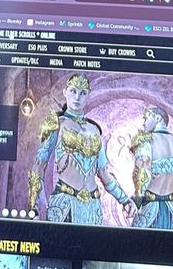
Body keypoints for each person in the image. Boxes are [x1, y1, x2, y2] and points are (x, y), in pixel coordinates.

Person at [28, 74, 136, 224]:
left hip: (93, 206)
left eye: (82, 93)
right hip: (65, 203)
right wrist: (34, 206)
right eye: (73, 91)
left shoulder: (94, 130)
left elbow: (104, 173)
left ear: (88, 95)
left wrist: (124, 200)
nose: (77, 97)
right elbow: (39, 165)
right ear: (65, 92)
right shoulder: (56, 123)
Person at [129, 107, 173, 230]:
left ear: (157, 118)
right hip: (172, 213)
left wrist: (136, 201)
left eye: (146, 118)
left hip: (148, 212)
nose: (144, 122)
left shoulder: (146, 142)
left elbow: (142, 174)